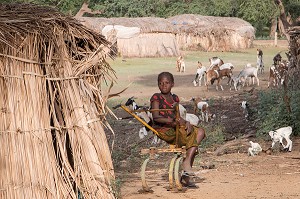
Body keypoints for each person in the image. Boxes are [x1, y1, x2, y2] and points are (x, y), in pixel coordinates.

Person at [150, 71, 206, 187]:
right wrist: (173, 122)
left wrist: (186, 122)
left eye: (167, 83)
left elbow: (177, 116)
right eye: (161, 83)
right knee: (192, 143)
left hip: (177, 128)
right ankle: (186, 172)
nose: (164, 85)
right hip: (165, 131)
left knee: (200, 131)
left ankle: (186, 163)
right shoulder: (156, 97)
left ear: (172, 84)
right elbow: (156, 117)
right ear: (158, 85)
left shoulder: (175, 98)